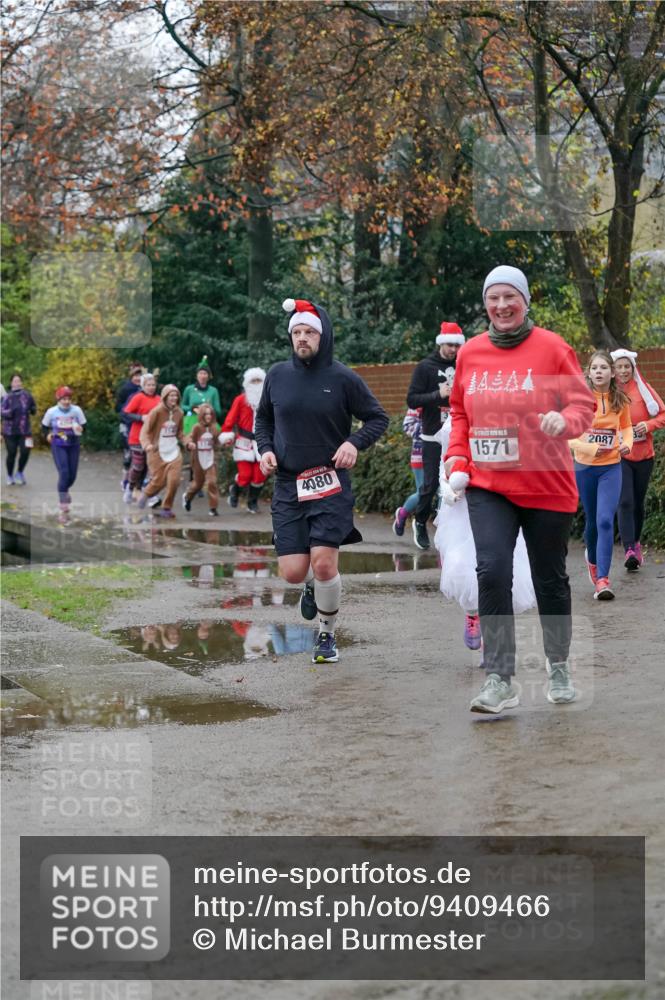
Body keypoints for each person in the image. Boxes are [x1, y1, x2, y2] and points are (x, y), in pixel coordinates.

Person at [444, 265, 595, 713]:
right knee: (491, 570)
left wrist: (563, 421)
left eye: (510, 296)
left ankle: (559, 665)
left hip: (546, 482)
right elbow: (459, 412)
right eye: (494, 298)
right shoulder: (470, 353)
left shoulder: (551, 348)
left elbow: (583, 405)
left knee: (550, 578)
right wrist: (456, 457)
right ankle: (499, 677)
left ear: (525, 300)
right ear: (485, 304)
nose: (502, 306)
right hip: (489, 483)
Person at [255, 297, 389, 664]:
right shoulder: (277, 375)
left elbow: (377, 418)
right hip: (287, 484)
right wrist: (264, 449)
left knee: (326, 562)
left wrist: (353, 442)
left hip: (329, 482)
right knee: (295, 573)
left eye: (309, 332)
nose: (302, 338)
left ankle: (326, 635)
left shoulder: (343, 378)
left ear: (323, 335)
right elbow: (263, 419)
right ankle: (312, 587)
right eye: (296, 332)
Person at [434, 416, 536, 653]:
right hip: (462, 510)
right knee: (461, 566)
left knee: (499, 568)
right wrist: (447, 490)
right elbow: (444, 464)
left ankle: (493, 639)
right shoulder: (453, 424)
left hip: (499, 501)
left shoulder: (507, 417)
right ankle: (472, 615)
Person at [569, 350, 633, 600]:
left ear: (612, 372)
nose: (599, 372)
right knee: (593, 522)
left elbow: (626, 427)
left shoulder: (620, 400)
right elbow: (568, 437)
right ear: (589, 372)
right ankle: (592, 561)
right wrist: (590, 448)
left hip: (611, 467)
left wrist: (627, 442)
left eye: (603, 368)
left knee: (606, 520)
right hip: (585, 468)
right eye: (594, 368)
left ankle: (603, 581)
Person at [406, 322, 464, 550]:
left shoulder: (464, 365)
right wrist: (436, 394)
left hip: (458, 434)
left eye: (457, 346)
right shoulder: (425, 367)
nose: (453, 350)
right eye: (450, 345)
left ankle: (454, 534)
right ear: (441, 343)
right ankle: (420, 521)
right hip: (431, 435)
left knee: (458, 485)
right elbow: (412, 400)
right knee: (429, 486)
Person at [611, 348, 665, 570]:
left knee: (637, 504)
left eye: (627, 366)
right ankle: (629, 550)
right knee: (625, 501)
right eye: (619, 367)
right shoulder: (609, 391)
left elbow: (662, 414)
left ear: (633, 368)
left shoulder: (644, 389)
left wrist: (648, 425)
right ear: (613, 370)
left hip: (644, 455)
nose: (623, 370)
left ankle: (636, 542)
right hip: (620, 455)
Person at [219, 367, 268, 513]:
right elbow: (230, 419)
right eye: (253, 380)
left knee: (259, 476)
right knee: (245, 475)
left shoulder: (268, 400)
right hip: (244, 442)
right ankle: (235, 489)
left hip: (261, 442)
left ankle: (252, 503)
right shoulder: (240, 400)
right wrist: (227, 434)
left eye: (259, 380)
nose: (256, 383)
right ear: (247, 383)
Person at [137, 384, 184, 519]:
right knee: (159, 481)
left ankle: (167, 507)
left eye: (176, 395)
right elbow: (144, 431)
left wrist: (188, 442)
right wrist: (147, 445)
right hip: (156, 452)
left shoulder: (179, 413)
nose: (174, 398)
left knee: (174, 480)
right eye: (171, 395)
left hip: (174, 451)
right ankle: (146, 494)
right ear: (165, 397)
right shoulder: (156, 412)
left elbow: (180, 432)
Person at [41, 386, 87, 518]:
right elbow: (44, 427)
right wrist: (48, 435)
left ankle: (65, 490)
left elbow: (84, 426)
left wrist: (80, 428)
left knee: (72, 476)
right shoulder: (52, 412)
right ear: (58, 399)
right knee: (64, 472)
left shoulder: (76, 410)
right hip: (58, 444)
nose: (66, 402)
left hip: (73, 444)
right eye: (64, 399)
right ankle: (63, 502)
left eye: (69, 399)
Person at [121, 373, 161, 503]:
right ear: (143, 386)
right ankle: (130, 487)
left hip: (152, 438)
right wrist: (140, 417)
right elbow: (125, 413)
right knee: (138, 465)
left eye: (153, 385)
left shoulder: (159, 399)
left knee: (148, 466)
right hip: (137, 437)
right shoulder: (138, 397)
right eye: (148, 385)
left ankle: (143, 492)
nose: (151, 387)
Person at [182, 402, 221, 516]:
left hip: (210, 459)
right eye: (205, 414)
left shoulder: (214, 428)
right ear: (201, 415)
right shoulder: (197, 427)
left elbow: (218, 441)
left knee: (212, 482)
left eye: (210, 414)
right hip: (198, 459)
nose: (208, 416)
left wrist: (225, 441)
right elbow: (188, 438)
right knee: (198, 484)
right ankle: (188, 497)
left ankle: (213, 508)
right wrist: (190, 444)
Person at [392, 407, 423, 537]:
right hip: (421, 455)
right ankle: (403, 514)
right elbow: (408, 425)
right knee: (423, 491)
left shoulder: (452, 398)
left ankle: (442, 538)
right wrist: (432, 429)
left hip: (447, 455)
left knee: (443, 495)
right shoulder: (421, 398)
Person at [2, 373, 36, 485]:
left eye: (19, 381)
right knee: (11, 453)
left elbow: (33, 407)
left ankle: (20, 473)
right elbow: (1, 411)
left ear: (21, 383)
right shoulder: (7, 397)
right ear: (11, 383)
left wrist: (32, 410)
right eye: (15, 381)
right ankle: (9, 475)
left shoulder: (27, 395)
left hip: (25, 430)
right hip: (9, 431)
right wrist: (10, 412)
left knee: (26, 451)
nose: (17, 383)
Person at [115, 363, 143, 491]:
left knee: (140, 455)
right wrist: (129, 413)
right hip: (127, 425)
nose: (138, 378)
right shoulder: (126, 389)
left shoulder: (145, 389)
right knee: (129, 454)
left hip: (141, 425)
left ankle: (137, 482)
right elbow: (118, 407)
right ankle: (125, 479)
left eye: (140, 375)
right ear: (131, 376)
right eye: (136, 376)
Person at [181, 356, 222, 433]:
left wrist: (208, 409)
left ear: (209, 376)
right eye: (200, 373)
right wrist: (192, 408)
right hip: (191, 420)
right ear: (196, 376)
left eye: (205, 374)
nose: (202, 376)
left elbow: (218, 411)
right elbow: (182, 406)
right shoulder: (189, 389)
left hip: (208, 421)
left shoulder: (213, 391)